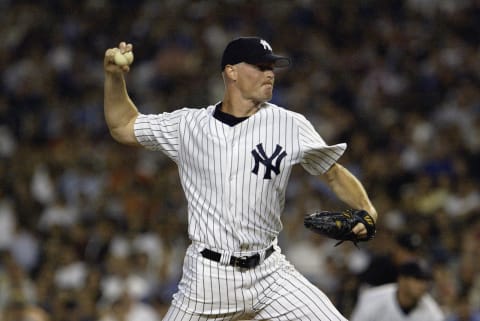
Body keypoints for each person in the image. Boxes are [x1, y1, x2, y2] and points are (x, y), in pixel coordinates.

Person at [103, 36, 378, 321]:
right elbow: (123, 126)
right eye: (259, 66)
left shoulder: (290, 124)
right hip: (208, 278)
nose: (269, 73)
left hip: (270, 272)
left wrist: (367, 210)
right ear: (231, 71)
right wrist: (113, 77)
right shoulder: (188, 125)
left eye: (271, 67)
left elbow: (333, 174)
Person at [350, 260, 445, 321]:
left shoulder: (431, 311)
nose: (423, 285)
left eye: (426, 280)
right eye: (418, 279)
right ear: (402, 280)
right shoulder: (373, 299)